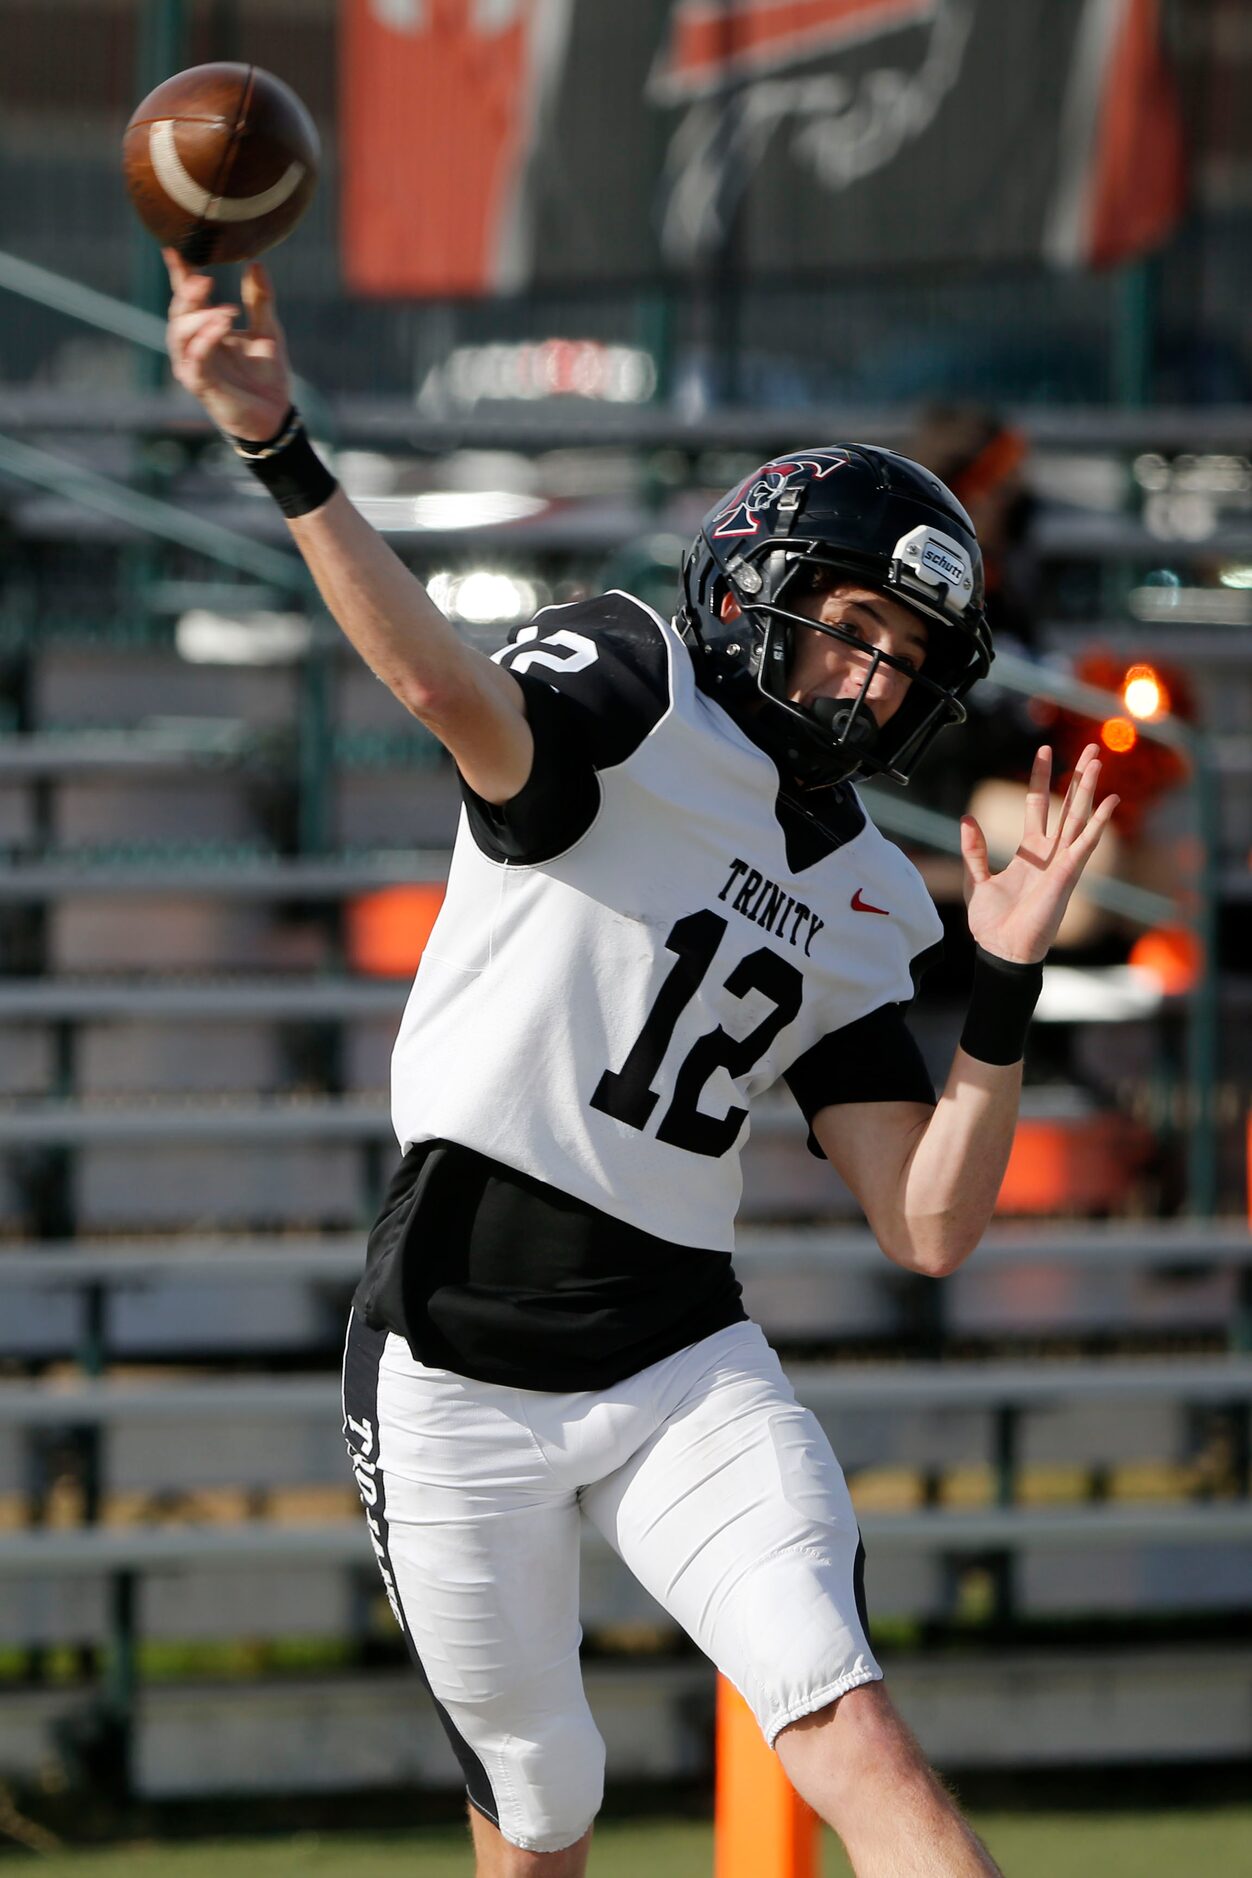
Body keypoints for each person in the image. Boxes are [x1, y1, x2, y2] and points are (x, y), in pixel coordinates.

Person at [165, 254, 1118, 1878]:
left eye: (904, 656)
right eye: (853, 624)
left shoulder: (871, 891)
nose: (871, 677)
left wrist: (1008, 986)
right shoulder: (630, 687)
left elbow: (930, 1222)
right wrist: (282, 447)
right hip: (454, 1349)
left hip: (680, 1355)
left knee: (851, 1726)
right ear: (762, 582)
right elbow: (429, 680)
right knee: (540, 1821)